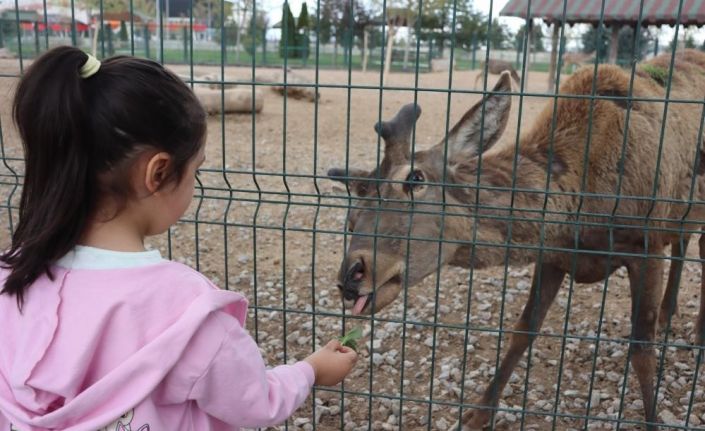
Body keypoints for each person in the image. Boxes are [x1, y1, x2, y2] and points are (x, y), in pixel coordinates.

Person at [0, 46, 357, 431]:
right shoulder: (186, 311)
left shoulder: (12, 276)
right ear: (158, 173)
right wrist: (309, 371)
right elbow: (255, 401)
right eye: (195, 170)